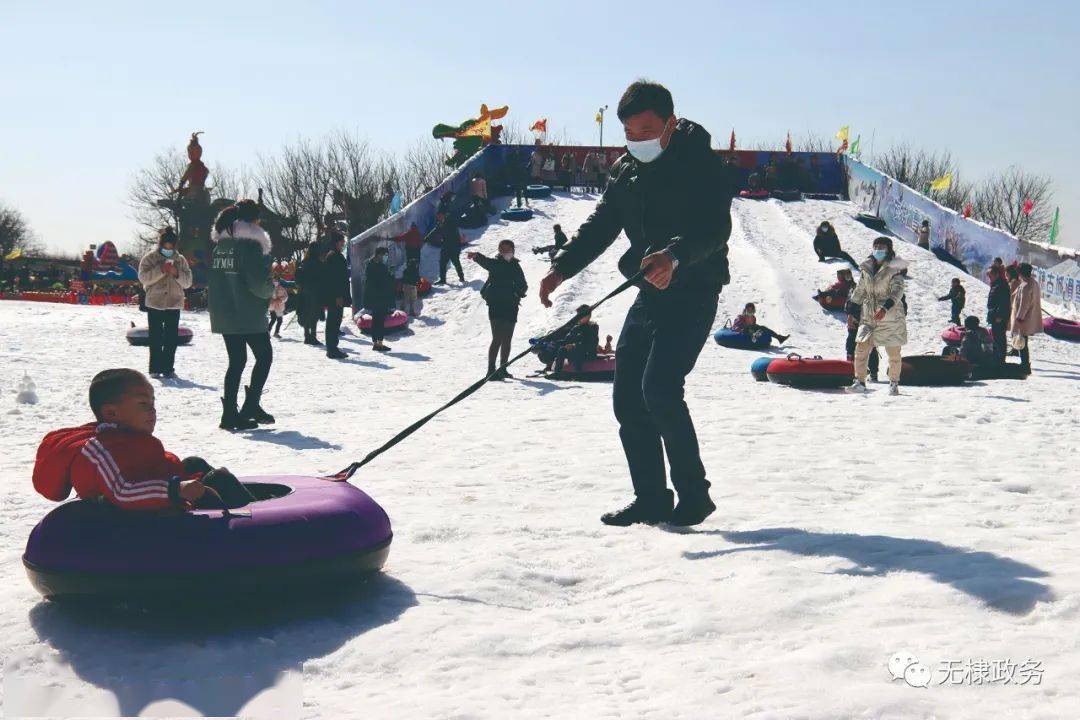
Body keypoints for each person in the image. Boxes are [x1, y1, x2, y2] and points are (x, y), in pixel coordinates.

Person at [539, 80, 733, 527]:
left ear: (670, 123)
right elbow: (604, 222)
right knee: (627, 398)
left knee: (661, 389)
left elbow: (714, 228)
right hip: (649, 291)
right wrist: (562, 266)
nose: (638, 141)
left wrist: (675, 255)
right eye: (630, 133)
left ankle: (694, 495)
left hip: (693, 290)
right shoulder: (626, 171)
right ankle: (650, 497)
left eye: (647, 131)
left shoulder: (701, 164)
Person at [32, 368, 254, 511]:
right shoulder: (100, 449)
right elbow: (122, 490)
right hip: (137, 520)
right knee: (219, 481)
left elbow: (146, 465)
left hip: (155, 502)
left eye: (152, 403)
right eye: (143, 404)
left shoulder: (127, 438)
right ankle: (253, 530)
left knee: (195, 464)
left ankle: (258, 512)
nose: (152, 410)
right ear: (111, 413)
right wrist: (175, 489)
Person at [208, 199, 275, 430]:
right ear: (254, 220)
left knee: (236, 361)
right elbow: (257, 282)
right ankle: (250, 405)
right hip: (247, 312)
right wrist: (273, 290)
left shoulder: (221, 244)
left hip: (224, 311)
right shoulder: (250, 244)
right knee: (264, 356)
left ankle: (229, 414)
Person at [846, 236, 908, 395]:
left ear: (888, 249)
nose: (878, 249)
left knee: (893, 352)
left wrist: (885, 308)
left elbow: (897, 291)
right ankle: (859, 381)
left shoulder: (895, 268)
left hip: (890, 316)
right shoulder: (866, 268)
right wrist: (852, 311)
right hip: (868, 315)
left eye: (882, 247)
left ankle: (894, 383)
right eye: (876, 246)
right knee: (860, 348)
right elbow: (860, 290)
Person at [137, 227, 193, 379]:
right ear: (160, 244)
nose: (168, 249)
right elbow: (144, 278)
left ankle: (168, 368)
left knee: (171, 339)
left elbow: (187, 282)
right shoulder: (150, 258)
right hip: (155, 302)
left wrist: (176, 273)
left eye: (171, 247)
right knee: (155, 337)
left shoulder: (180, 260)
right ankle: (154, 368)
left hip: (174, 303)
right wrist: (161, 270)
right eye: (165, 246)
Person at [469, 240, 528, 379]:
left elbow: (523, 284)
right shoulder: (496, 264)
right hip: (496, 305)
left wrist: (518, 292)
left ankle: (503, 369)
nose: (505, 252)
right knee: (497, 338)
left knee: (507, 339)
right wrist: (476, 256)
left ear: (513, 250)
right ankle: (491, 370)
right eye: (502, 250)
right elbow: (486, 262)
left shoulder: (516, 265)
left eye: (508, 250)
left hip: (511, 306)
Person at [320, 230, 351, 360]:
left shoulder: (335, 255)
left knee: (335, 321)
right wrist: (338, 295)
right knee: (333, 321)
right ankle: (332, 349)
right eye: (342, 241)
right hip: (335, 296)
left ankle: (333, 347)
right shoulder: (333, 256)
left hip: (336, 295)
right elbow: (335, 279)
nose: (343, 243)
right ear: (337, 242)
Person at [546, 305, 602, 373]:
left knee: (576, 351)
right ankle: (557, 372)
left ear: (588, 316)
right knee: (562, 349)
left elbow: (592, 344)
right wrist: (555, 342)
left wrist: (575, 345)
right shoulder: (576, 328)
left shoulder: (592, 328)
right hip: (575, 352)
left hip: (588, 354)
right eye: (577, 316)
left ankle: (578, 372)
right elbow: (567, 340)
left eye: (580, 316)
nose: (578, 318)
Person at [1009, 262, 1042, 373]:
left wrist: (1019, 318)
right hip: (1029, 317)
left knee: (1022, 342)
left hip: (1023, 319)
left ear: (1020, 272)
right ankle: (1025, 364)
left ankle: (1025, 365)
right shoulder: (1033, 282)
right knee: (1023, 341)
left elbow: (1024, 304)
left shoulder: (1026, 286)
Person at [364, 246, 396, 352]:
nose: (385, 257)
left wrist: (390, 274)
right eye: (384, 255)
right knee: (378, 320)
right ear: (379, 254)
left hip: (379, 297)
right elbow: (376, 281)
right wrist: (388, 276)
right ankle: (377, 343)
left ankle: (378, 343)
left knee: (378, 320)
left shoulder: (377, 265)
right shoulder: (373, 266)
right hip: (378, 297)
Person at [297, 243, 324, 346]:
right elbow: (322, 279)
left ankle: (306, 336)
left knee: (306, 314)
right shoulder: (318, 263)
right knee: (314, 316)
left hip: (304, 293)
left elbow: (298, 279)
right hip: (315, 294)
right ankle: (312, 336)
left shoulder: (304, 262)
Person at [428, 211, 465, 285]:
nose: (438, 218)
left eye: (439, 216)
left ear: (443, 215)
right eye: (437, 216)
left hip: (454, 246)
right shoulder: (440, 223)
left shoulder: (450, 222)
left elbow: (452, 232)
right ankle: (442, 279)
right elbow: (435, 231)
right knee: (442, 263)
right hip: (445, 246)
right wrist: (426, 239)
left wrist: (442, 231)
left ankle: (461, 277)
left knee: (456, 262)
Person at [845, 304, 879, 382]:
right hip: (857, 320)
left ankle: (873, 373)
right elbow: (850, 303)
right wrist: (849, 316)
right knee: (851, 346)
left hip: (867, 321)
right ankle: (852, 371)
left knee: (870, 346)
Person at [986, 265, 1011, 364]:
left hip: (999, 317)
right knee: (996, 337)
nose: (989, 277)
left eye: (990, 275)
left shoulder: (1001, 285)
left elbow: (1004, 302)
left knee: (1000, 338)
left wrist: (1000, 316)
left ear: (996, 274)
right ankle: (996, 358)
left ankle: (1000, 359)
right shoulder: (995, 284)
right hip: (994, 315)